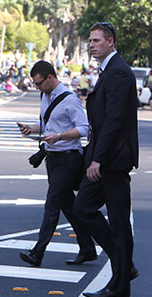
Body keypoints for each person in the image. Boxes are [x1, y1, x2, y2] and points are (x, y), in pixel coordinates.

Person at [74, 22, 139, 297]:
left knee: (117, 221)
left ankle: (120, 282)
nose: (92, 45)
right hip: (106, 156)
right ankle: (123, 268)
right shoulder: (109, 70)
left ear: (110, 42)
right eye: (90, 40)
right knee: (84, 208)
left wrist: (97, 159)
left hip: (112, 159)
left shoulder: (119, 72)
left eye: (97, 40)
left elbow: (114, 121)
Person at [17, 60, 96, 267]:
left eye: (38, 83)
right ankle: (87, 248)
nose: (36, 88)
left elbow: (84, 128)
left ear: (50, 78)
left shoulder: (70, 100)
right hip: (52, 158)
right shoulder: (45, 95)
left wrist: (60, 136)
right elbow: (46, 123)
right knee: (67, 205)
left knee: (52, 204)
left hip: (68, 157)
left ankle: (38, 252)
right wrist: (31, 129)